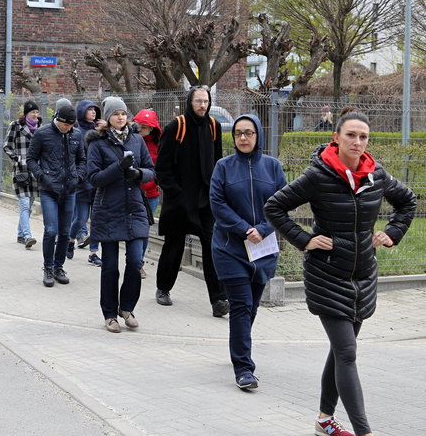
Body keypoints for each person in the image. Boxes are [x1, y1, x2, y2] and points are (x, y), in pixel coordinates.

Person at [265, 108, 415, 436]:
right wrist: (305, 240)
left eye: (363, 137)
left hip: (363, 275)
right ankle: (365, 431)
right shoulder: (318, 175)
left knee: (339, 352)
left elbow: (407, 202)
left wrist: (392, 232)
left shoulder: (377, 176)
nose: (357, 142)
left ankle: (323, 421)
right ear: (336, 137)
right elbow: (274, 206)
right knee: (347, 351)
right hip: (327, 275)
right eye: (351, 135)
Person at [209, 114, 287, 391]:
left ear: (258, 135)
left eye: (249, 133)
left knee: (251, 307)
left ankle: (238, 346)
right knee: (241, 306)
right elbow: (217, 204)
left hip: (263, 249)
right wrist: (244, 229)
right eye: (239, 133)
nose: (243, 138)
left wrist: (263, 229)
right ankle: (243, 367)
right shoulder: (223, 167)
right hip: (230, 247)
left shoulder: (273, 167)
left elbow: (282, 204)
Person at [154, 86, 228, 316]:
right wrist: (176, 194)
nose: (202, 105)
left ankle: (218, 299)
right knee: (174, 246)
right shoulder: (177, 126)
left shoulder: (214, 127)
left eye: (205, 101)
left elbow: (218, 162)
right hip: (179, 200)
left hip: (206, 201)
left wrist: (217, 191)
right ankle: (163, 288)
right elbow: (162, 168)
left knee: (212, 247)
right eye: (198, 101)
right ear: (190, 102)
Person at [86, 97, 155, 333]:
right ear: (107, 117)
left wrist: (138, 174)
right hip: (108, 209)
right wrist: (119, 167)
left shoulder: (136, 139)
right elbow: (93, 178)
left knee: (135, 261)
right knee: (110, 267)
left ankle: (127, 308)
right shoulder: (98, 143)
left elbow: (151, 170)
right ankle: (109, 314)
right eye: (116, 114)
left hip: (134, 208)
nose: (121, 117)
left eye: (124, 113)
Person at [26, 103, 86, 287]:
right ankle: (48, 267)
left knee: (65, 232)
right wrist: (42, 177)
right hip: (49, 189)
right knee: (51, 229)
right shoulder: (43, 133)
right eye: (65, 125)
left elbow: (82, 159)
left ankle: (59, 267)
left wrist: (79, 177)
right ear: (57, 120)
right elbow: (31, 159)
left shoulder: (76, 134)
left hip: (69, 189)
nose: (68, 128)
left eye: (70, 125)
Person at [69, 99, 104, 265]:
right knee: (80, 219)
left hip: (98, 183)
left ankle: (93, 253)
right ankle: (70, 241)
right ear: (82, 112)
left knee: (97, 220)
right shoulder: (76, 132)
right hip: (82, 183)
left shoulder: (101, 130)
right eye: (90, 110)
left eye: (95, 110)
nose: (94, 112)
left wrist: (105, 129)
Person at [3, 100, 40, 249]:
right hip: (22, 171)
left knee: (29, 205)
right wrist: (17, 158)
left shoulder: (41, 128)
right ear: (26, 114)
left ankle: (20, 234)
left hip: (36, 170)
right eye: (33, 112)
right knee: (24, 204)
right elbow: (7, 146)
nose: (36, 115)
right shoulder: (16, 125)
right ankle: (27, 236)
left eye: (37, 112)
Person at [132, 109, 162, 278]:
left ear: (151, 129)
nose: (141, 129)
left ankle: (139, 263)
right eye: (139, 126)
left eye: (145, 127)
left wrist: (154, 181)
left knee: (143, 231)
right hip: (133, 193)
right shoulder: (131, 141)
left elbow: (161, 168)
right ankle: (134, 261)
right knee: (134, 231)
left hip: (150, 194)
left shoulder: (158, 144)